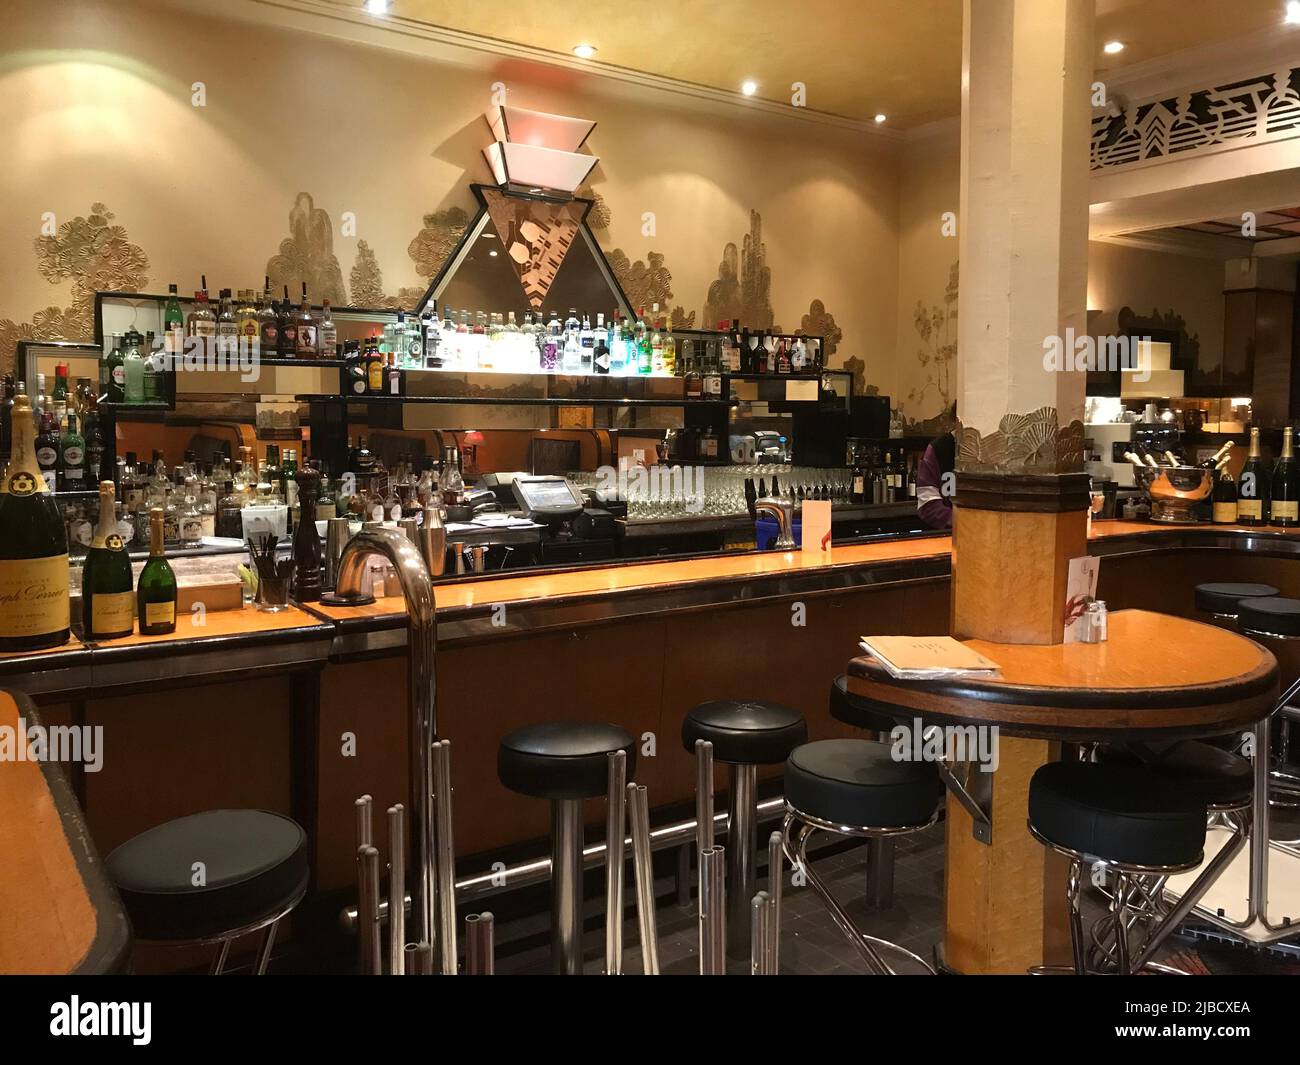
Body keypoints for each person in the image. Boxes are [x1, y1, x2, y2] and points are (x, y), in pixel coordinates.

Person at [916, 413, 957, 530]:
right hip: (945, 535)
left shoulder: (989, 450)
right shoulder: (939, 448)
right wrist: (963, 522)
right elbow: (927, 502)